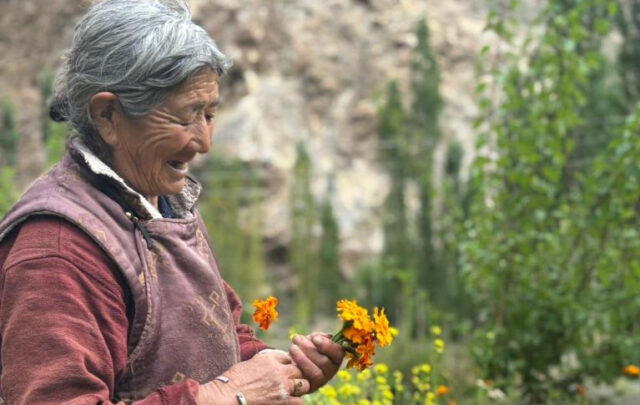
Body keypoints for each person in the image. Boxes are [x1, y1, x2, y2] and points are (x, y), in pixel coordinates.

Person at [0, 0, 344, 403]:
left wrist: (278, 370)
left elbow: (217, 330)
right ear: (108, 115)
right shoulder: (58, 250)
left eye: (210, 115)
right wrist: (224, 396)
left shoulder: (164, 203)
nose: (204, 143)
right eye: (185, 118)